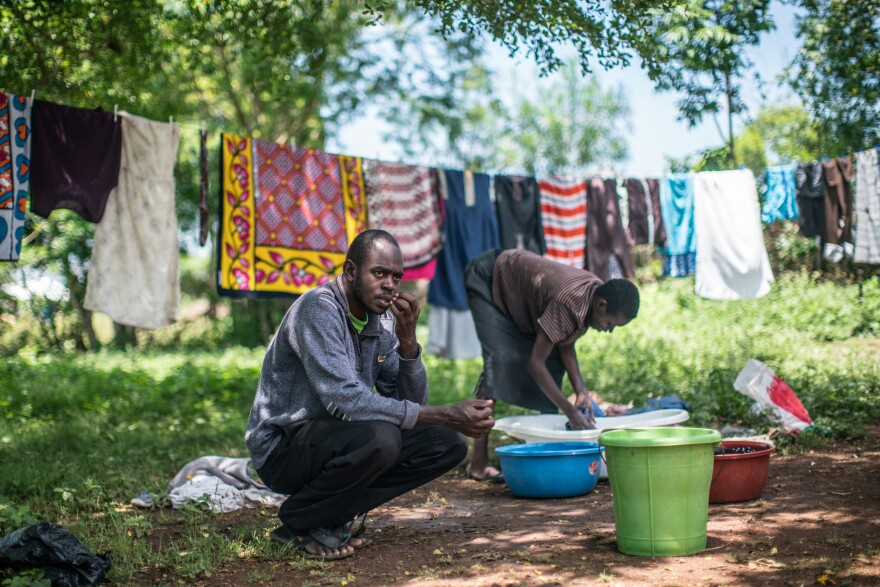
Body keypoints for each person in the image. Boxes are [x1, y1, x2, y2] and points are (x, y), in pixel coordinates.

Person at [246, 230, 495, 560]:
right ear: (351, 272)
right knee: (381, 437)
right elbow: (344, 399)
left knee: (445, 442)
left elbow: (413, 404)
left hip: (339, 439)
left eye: (396, 276)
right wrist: (446, 412)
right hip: (284, 448)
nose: (390, 284)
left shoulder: (380, 323)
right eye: (379, 273)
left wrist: (408, 343)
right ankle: (297, 521)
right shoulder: (318, 309)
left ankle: (330, 516)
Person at [463, 248, 640, 482]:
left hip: (517, 292)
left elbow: (565, 342)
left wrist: (581, 391)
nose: (609, 331)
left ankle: (544, 453)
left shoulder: (593, 293)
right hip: (490, 279)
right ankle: (478, 463)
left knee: (554, 365)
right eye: (610, 324)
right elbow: (535, 365)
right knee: (499, 364)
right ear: (602, 305)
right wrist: (569, 410)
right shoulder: (571, 302)